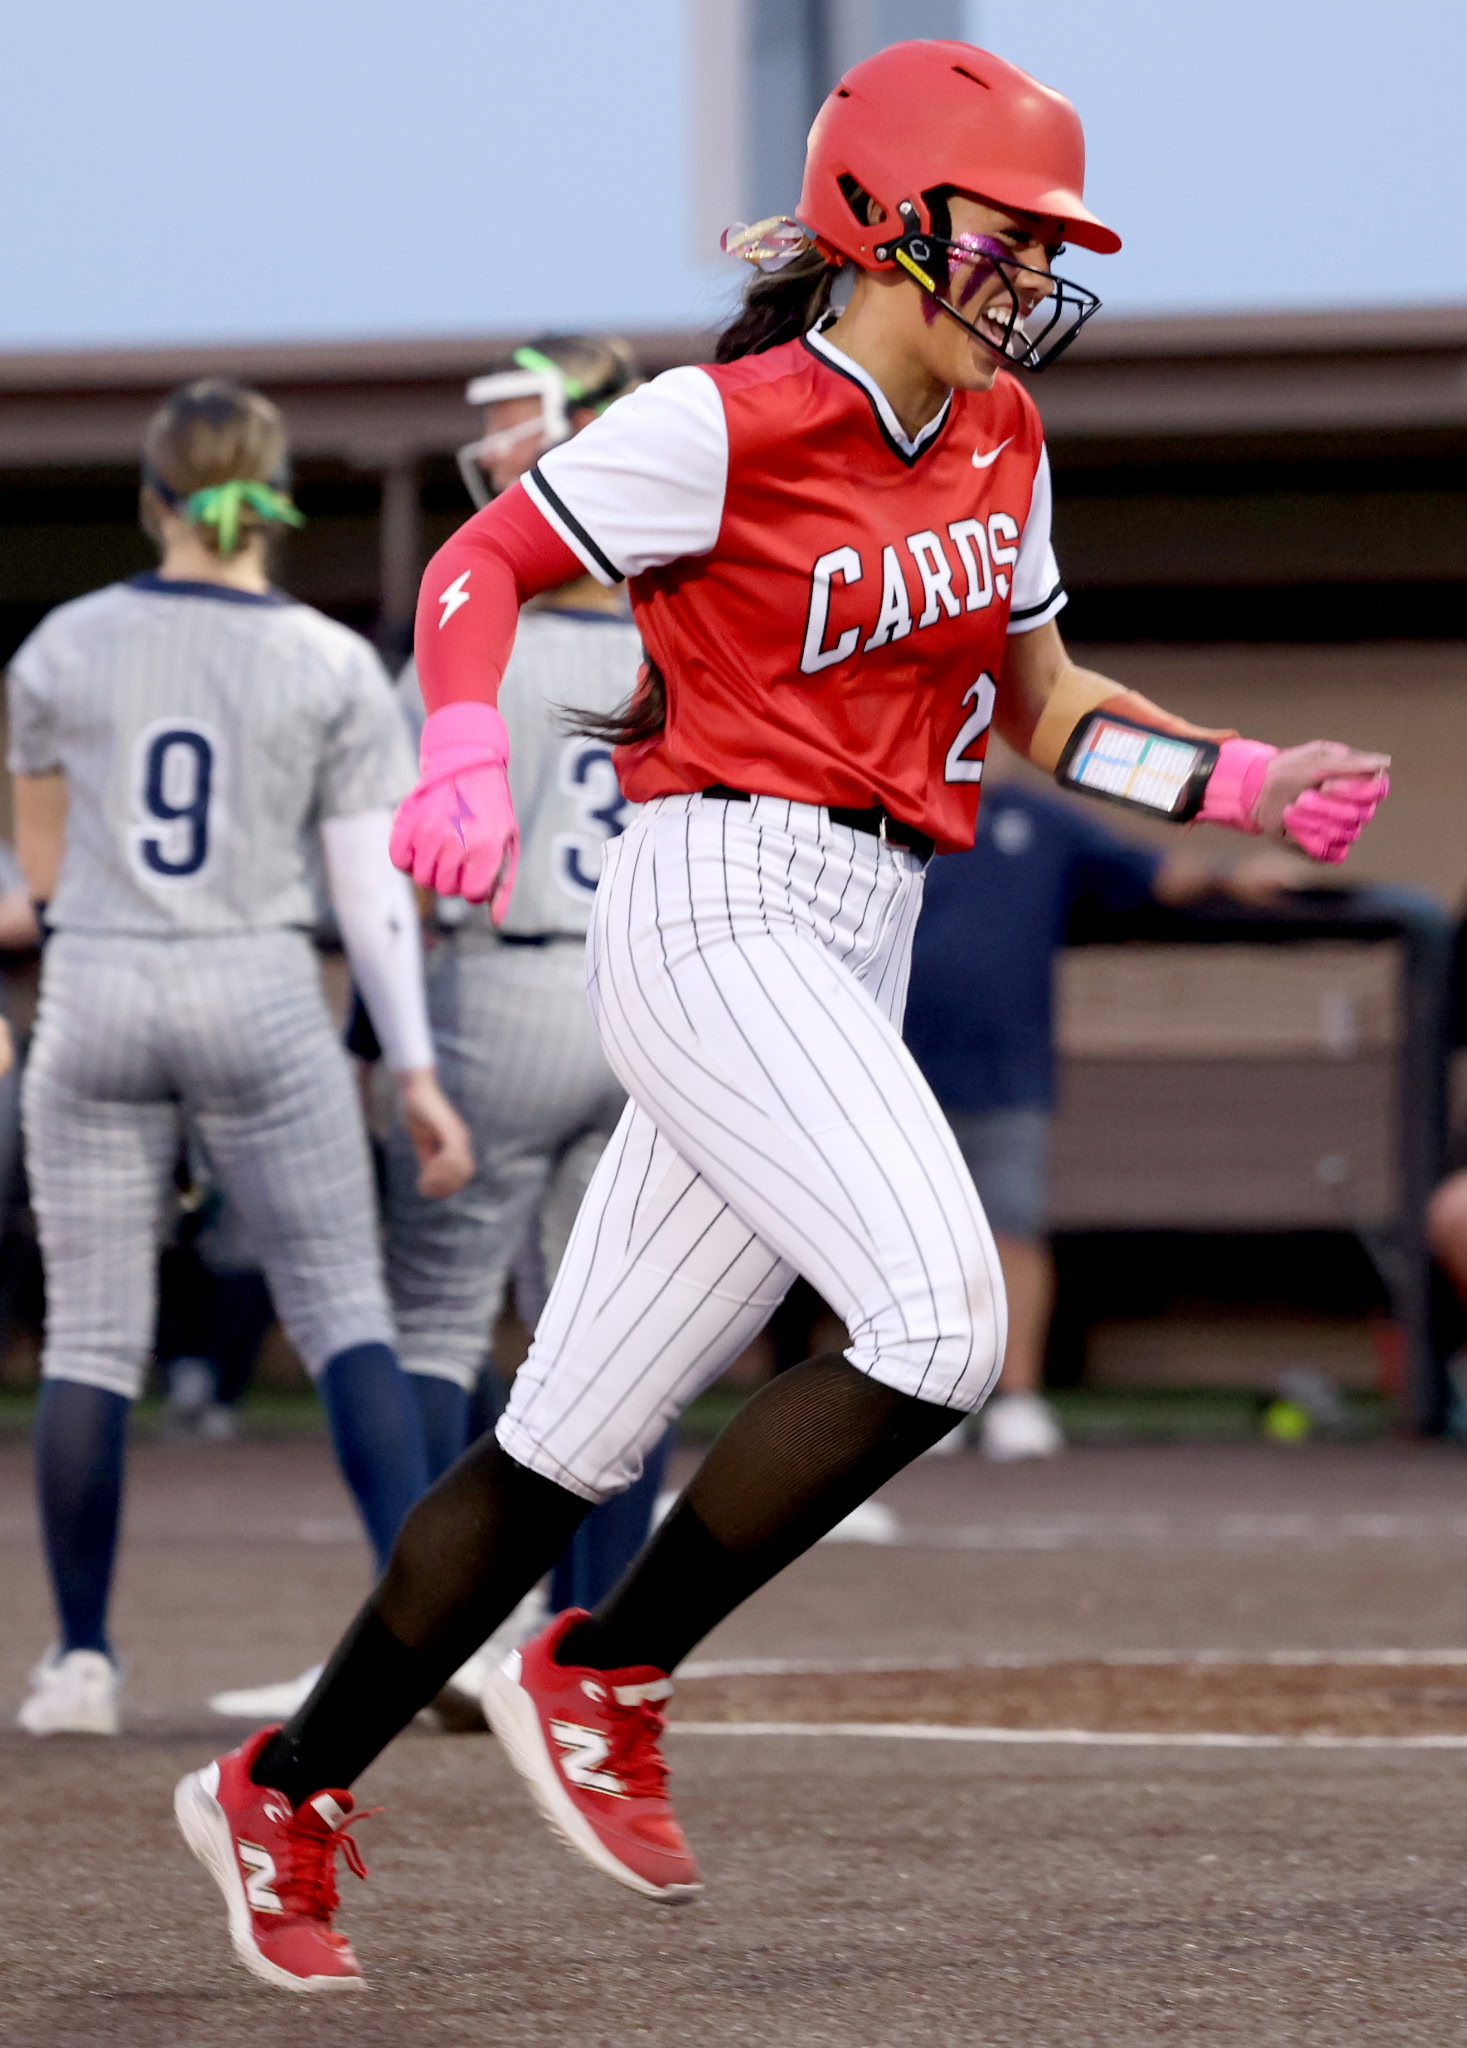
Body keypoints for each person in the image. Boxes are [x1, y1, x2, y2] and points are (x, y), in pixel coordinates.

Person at [175, 41, 1389, 1990]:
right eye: (1009, 229)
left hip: (857, 921)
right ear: (884, 211)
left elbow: (1044, 704)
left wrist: (1238, 779)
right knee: (939, 1322)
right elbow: (485, 561)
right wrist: (463, 746)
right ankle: (608, 1667)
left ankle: (281, 1785)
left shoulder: (1001, 429)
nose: (1033, 271)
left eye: (1049, 242)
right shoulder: (718, 421)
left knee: (560, 1442)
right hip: (715, 894)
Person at [213, 335, 672, 1723]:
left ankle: (437, 1636)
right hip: (647, 993)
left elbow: (391, 869)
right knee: (618, 1336)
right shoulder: (685, 624)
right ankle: (596, 1646)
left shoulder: (482, 626)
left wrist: (386, 1050)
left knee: (431, 1319)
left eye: (526, 422)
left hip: (499, 985)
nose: (501, 448)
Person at [9, 378, 473, 1737]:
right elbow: (371, 898)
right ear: (274, 500)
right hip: (258, 980)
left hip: (100, 979)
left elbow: (42, 871)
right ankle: (426, 1641)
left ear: (154, 495)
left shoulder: (62, 643)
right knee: (342, 1310)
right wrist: (413, 1067)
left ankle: (80, 1661)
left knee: (93, 1335)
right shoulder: (328, 661)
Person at [904, 781, 1283, 1460]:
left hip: (1003, 1074)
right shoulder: (873, 806)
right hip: (887, 1066)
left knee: (1011, 1227)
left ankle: (1015, 1398)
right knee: (906, 1239)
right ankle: (919, 1396)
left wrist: (1229, 872)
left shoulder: (1038, 819)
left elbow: (1152, 872)